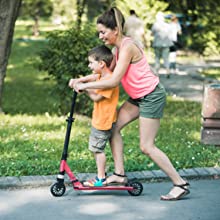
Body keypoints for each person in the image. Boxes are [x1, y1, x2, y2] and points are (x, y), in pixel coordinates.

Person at [69, 7, 190, 200]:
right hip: (137, 97)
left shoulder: (128, 47)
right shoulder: (117, 49)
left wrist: (85, 86)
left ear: (115, 29)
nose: (100, 36)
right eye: (99, 32)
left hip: (152, 95)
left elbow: (113, 80)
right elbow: (104, 73)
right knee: (113, 128)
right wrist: (81, 80)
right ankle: (119, 175)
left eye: (103, 32)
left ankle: (180, 183)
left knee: (146, 146)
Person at [69, 45, 119, 187]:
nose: (89, 65)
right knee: (96, 149)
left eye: (91, 62)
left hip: (103, 121)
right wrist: (79, 81)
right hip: (100, 119)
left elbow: (97, 98)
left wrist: (83, 89)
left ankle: (101, 178)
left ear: (101, 63)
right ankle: (101, 175)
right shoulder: (102, 76)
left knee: (97, 150)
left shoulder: (109, 81)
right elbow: (92, 77)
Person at [151, 12, 173, 78]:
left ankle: (157, 73)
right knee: (166, 58)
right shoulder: (167, 25)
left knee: (157, 58)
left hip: (157, 44)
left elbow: (152, 33)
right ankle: (168, 71)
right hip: (166, 44)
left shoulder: (155, 25)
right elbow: (170, 34)